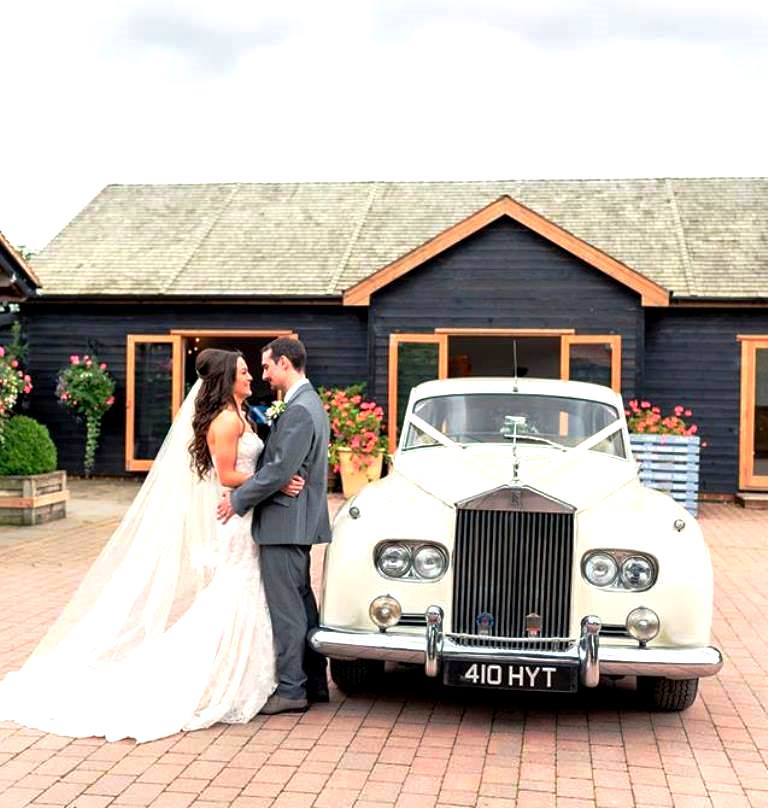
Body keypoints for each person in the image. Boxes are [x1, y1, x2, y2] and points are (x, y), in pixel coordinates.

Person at [0, 348, 302, 742]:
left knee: (244, 591)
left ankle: (244, 671)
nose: (251, 378)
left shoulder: (242, 416)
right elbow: (227, 474)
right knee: (236, 591)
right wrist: (275, 481)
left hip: (245, 517)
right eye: (244, 372)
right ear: (227, 379)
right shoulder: (227, 421)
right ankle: (217, 675)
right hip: (235, 519)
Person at [218, 337, 331, 715]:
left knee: (287, 610)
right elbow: (282, 468)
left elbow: (280, 469)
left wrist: (236, 501)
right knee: (301, 604)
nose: (263, 374)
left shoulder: (299, 410)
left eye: (266, 366)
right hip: (295, 520)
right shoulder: (305, 403)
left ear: (284, 363)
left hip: (285, 520)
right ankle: (314, 682)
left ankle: (291, 690)